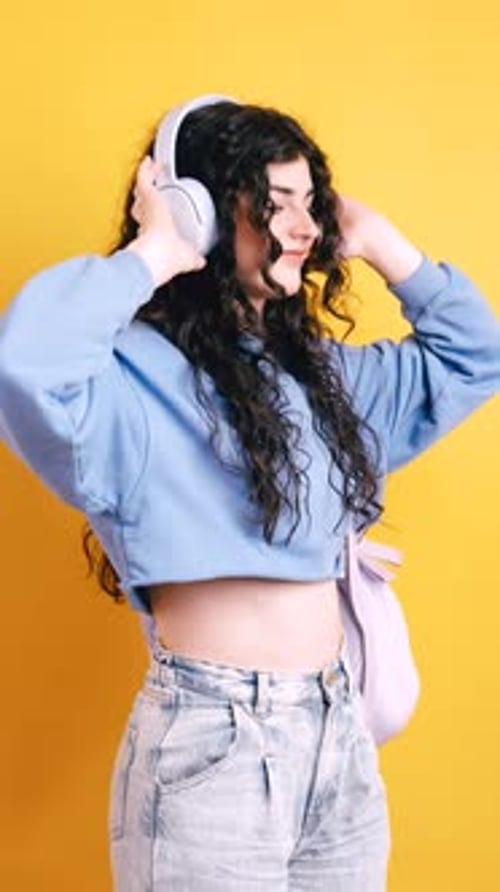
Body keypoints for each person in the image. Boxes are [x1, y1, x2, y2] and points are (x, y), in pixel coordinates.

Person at [0, 95, 499, 892]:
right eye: (274, 205)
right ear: (201, 212)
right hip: (211, 743)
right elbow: (25, 364)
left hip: (338, 734)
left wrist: (376, 239)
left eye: (313, 205)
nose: (304, 228)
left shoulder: (329, 382)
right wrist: (159, 250)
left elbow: (476, 356)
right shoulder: (126, 380)